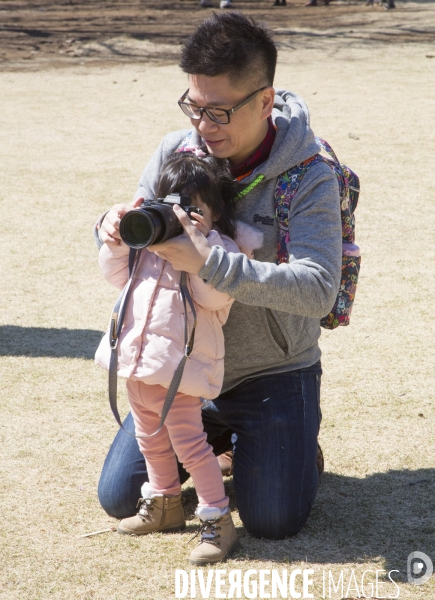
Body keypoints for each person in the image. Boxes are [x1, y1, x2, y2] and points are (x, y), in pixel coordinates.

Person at [95, 11, 342, 544]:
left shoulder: (309, 174)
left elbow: (319, 286)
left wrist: (209, 263)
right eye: (193, 106)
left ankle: (294, 448)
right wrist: (113, 231)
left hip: (271, 373)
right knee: (117, 495)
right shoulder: (175, 151)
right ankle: (226, 444)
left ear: (264, 100)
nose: (202, 127)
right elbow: (139, 236)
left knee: (272, 522)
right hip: (180, 371)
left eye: (219, 112)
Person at [95, 151, 263, 564]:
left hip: (179, 373)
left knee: (190, 445)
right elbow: (115, 277)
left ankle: (217, 519)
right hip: (139, 363)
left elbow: (215, 297)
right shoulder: (148, 244)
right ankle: (166, 503)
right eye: (171, 206)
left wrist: (195, 253)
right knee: (149, 438)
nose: (181, 217)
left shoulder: (218, 250)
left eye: (194, 209)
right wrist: (116, 241)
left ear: (214, 212)